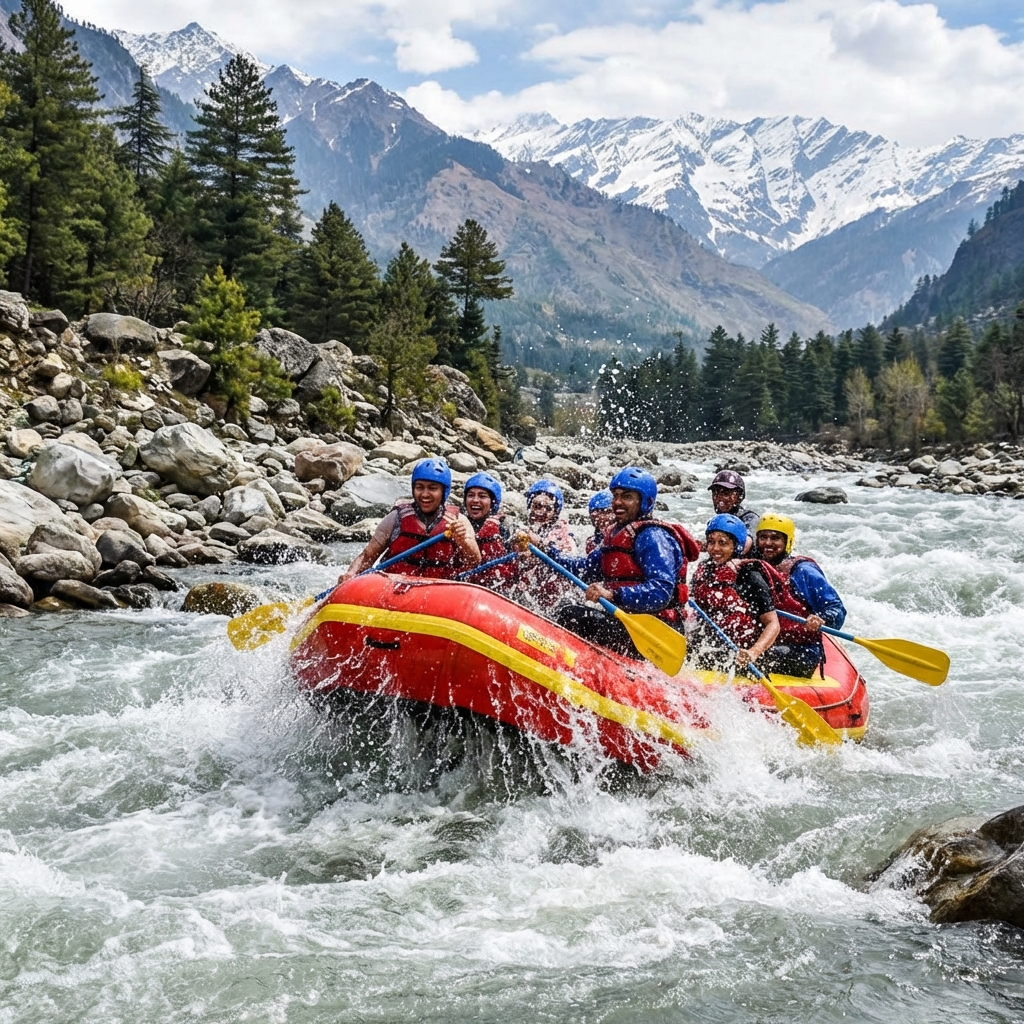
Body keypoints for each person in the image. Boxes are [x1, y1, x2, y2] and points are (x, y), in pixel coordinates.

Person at [531, 467, 699, 660]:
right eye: (616, 496)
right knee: (564, 605)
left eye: (627, 497)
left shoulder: (653, 537)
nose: (617, 502)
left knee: (573, 616)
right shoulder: (615, 534)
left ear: (646, 502)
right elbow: (585, 569)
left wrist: (613, 594)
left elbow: (661, 592)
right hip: (625, 621)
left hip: (653, 630)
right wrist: (543, 549)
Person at [341, 458, 480, 580]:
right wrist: (351, 573)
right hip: (394, 587)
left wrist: (463, 541)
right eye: (420, 487)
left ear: (444, 492)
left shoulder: (458, 522)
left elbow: (475, 561)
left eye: (432, 488)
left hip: (438, 592)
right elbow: (367, 556)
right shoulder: (396, 518)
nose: (425, 494)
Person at [753, 513, 847, 677]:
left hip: (802, 650)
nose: (768, 543)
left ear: (787, 542)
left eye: (775, 538)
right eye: (763, 537)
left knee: (756, 657)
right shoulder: (756, 567)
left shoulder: (804, 571)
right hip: (766, 642)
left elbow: (837, 609)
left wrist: (821, 618)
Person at [688, 513, 780, 673]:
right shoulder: (704, 569)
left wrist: (754, 652)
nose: (715, 548)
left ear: (735, 546)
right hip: (708, 643)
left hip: (741, 652)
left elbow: (773, 624)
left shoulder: (749, 576)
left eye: (722, 543)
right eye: (711, 542)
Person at [462, 471, 516, 585]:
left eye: (482, 496)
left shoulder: (504, 526)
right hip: (465, 586)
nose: (475, 500)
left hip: (496, 588)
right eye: (471, 495)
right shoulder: (459, 524)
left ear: (493, 503)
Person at [707, 469, 758, 553]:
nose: (720, 497)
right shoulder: (714, 522)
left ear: (739, 497)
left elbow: (748, 541)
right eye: (715, 493)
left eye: (726, 493)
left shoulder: (750, 518)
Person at [525, 479, 577, 554]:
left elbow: (566, 560)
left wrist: (539, 544)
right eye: (537, 506)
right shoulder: (523, 529)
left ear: (555, 513)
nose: (541, 512)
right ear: (530, 506)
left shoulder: (565, 538)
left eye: (548, 509)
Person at [585, 489, 615, 554]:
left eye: (607, 512)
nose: (602, 518)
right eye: (596, 514)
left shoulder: (630, 537)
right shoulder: (591, 543)